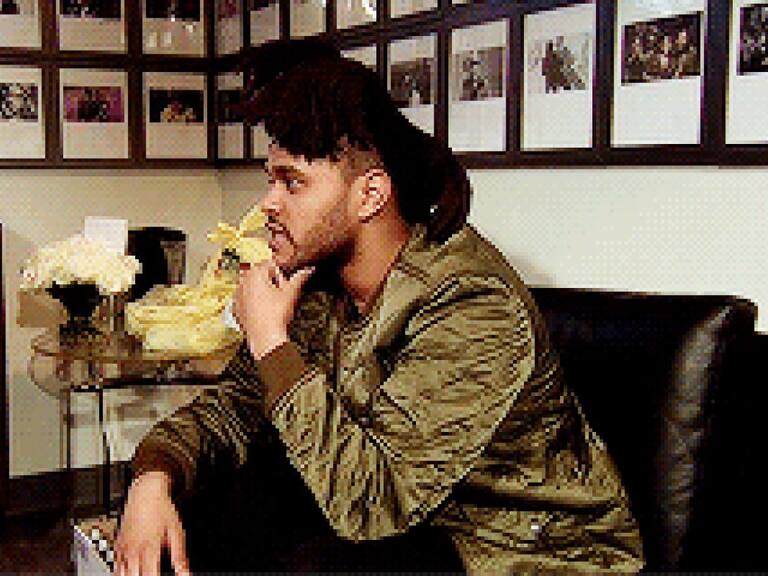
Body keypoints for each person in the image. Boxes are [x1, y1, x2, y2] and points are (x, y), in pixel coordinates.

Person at [114, 38, 644, 575]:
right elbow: (234, 409)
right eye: (270, 180)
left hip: (525, 551)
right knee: (199, 510)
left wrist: (271, 340)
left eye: (293, 183)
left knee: (320, 565)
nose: (268, 204)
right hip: (414, 524)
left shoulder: (473, 304)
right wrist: (153, 477)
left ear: (369, 195)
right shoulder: (320, 285)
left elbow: (373, 504)